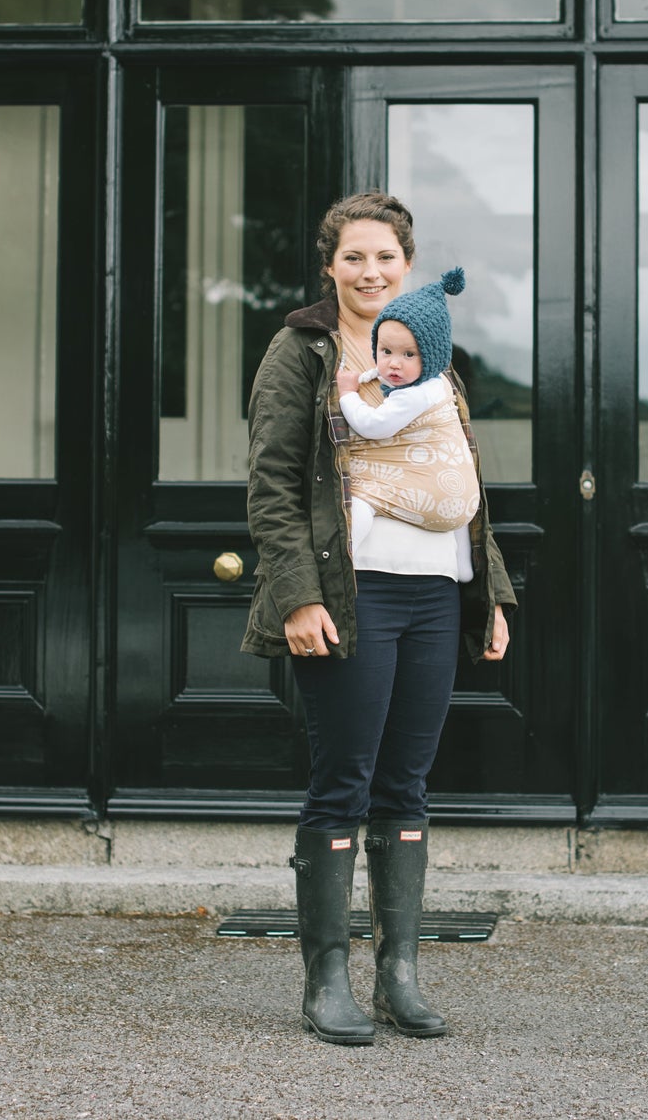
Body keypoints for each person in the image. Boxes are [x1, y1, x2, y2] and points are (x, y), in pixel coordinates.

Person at [242, 193, 515, 1046]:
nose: (371, 272)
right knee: (344, 783)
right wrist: (298, 595)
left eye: (386, 257)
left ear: (408, 264)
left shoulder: (429, 355)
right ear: (330, 265)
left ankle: (400, 975)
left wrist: (491, 596)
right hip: (349, 596)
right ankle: (327, 980)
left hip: (434, 595)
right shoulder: (301, 352)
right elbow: (272, 484)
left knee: (407, 785)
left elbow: (462, 479)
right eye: (354, 257)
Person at [334, 266, 480, 558]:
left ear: (432, 357)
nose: (394, 364)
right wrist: (370, 375)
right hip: (463, 499)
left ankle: (344, 556)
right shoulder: (438, 383)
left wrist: (348, 394)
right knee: (457, 495)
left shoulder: (412, 396)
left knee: (361, 500)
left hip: (436, 496)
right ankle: (464, 564)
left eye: (409, 354)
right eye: (386, 351)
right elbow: (384, 373)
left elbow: (373, 426)